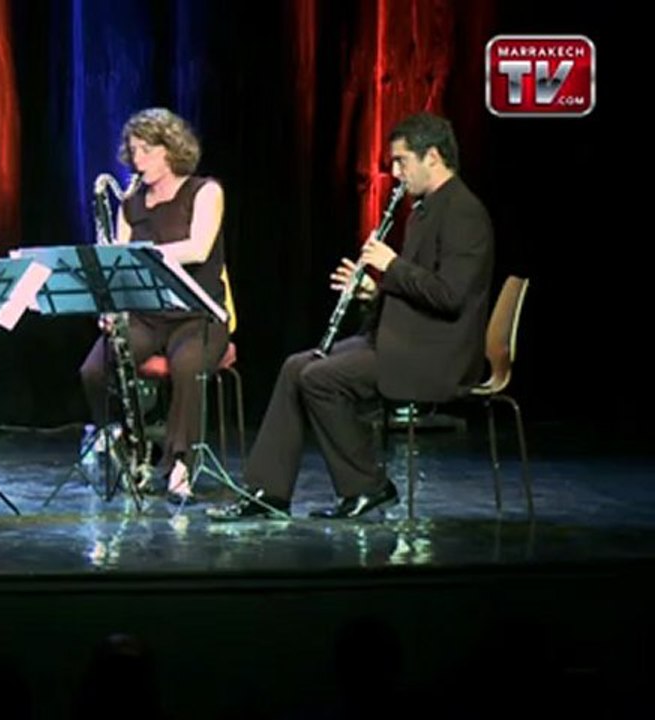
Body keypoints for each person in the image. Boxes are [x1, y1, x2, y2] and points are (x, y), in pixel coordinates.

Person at [207, 111, 495, 521]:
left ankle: (367, 486)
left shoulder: (463, 212)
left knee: (320, 379)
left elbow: (450, 296)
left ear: (432, 156)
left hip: (433, 354)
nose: (396, 174)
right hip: (404, 340)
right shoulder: (427, 209)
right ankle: (266, 492)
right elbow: (420, 291)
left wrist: (391, 265)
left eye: (402, 162)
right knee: (296, 367)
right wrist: (373, 292)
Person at [79, 107, 231, 503]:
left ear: (170, 150)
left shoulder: (205, 191)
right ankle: (125, 444)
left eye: (146, 150)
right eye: (133, 151)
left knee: (187, 366)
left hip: (197, 314)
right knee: (95, 369)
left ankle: (180, 466)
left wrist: (143, 255)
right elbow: (119, 266)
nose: (137, 159)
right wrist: (111, 306)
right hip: (148, 315)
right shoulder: (131, 204)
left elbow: (198, 248)